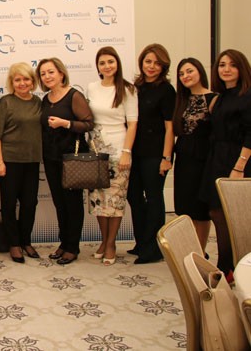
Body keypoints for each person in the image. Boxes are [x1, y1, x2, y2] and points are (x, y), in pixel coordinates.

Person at [200, 49, 251, 278]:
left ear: (242, 68)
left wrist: (239, 167)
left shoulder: (247, 95)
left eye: (232, 65)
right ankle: (226, 265)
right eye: (222, 65)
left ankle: (233, 268)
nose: (226, 69)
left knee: (235, 217)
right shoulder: (220, 97)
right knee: (217, 213)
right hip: (217, 159)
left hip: (238, 160)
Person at [38, 57, 94, 265]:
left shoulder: (74, 95)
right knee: (59, 203)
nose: (47, 76)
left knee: (72, 204)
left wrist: (66, 123)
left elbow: (88, 124)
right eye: (43, 74)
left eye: (51, 72)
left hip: (71, 158)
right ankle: (64, 242)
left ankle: (73, 247)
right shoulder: (46, 99)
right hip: (51, 157)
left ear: (61, 73)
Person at [87, 46, 138, 265]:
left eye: (110, 61)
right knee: (99, 200)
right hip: (96, 151)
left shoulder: (128, 89)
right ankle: (103, 240)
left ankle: (111, 243)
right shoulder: (92, 87)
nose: (107, 66)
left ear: (117, 63)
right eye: (102, 63)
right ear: (97, 67)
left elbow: (133, 123)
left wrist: (126, 152)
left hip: (119, 150)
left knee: (115, 200)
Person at [127, 44, 176, 264]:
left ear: (163, 67)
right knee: (134, 197)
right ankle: (141, 243)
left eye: (157, 63)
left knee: (154, 198)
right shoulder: (136, 87)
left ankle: (154, 248)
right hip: (135, 152)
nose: (152, 66)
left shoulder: (166, 90)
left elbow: (170, 128)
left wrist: (166, 158)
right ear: (141, 62)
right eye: (148, 61)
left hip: (156, 154)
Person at [0, 62, 42, 264]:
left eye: (26, 79)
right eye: (17, 79)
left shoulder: (38, 102)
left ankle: (25, 241)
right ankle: (14, 243)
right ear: (11, 82)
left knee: (30, 203)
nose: (22, 83)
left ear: (33, 81)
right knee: (9, 204)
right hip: (9, 161)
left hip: (31, 161)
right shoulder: (6, 102)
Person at [172, 57, 216, 253]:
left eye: (189, 71)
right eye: (181, 74)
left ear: (200, 71)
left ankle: (200, 253)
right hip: (184, 157)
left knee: (201, 209)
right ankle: (190, 251)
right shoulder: (181, 99)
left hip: (204, 158)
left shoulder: (214, 98)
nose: (185, 76)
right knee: (186, 207)